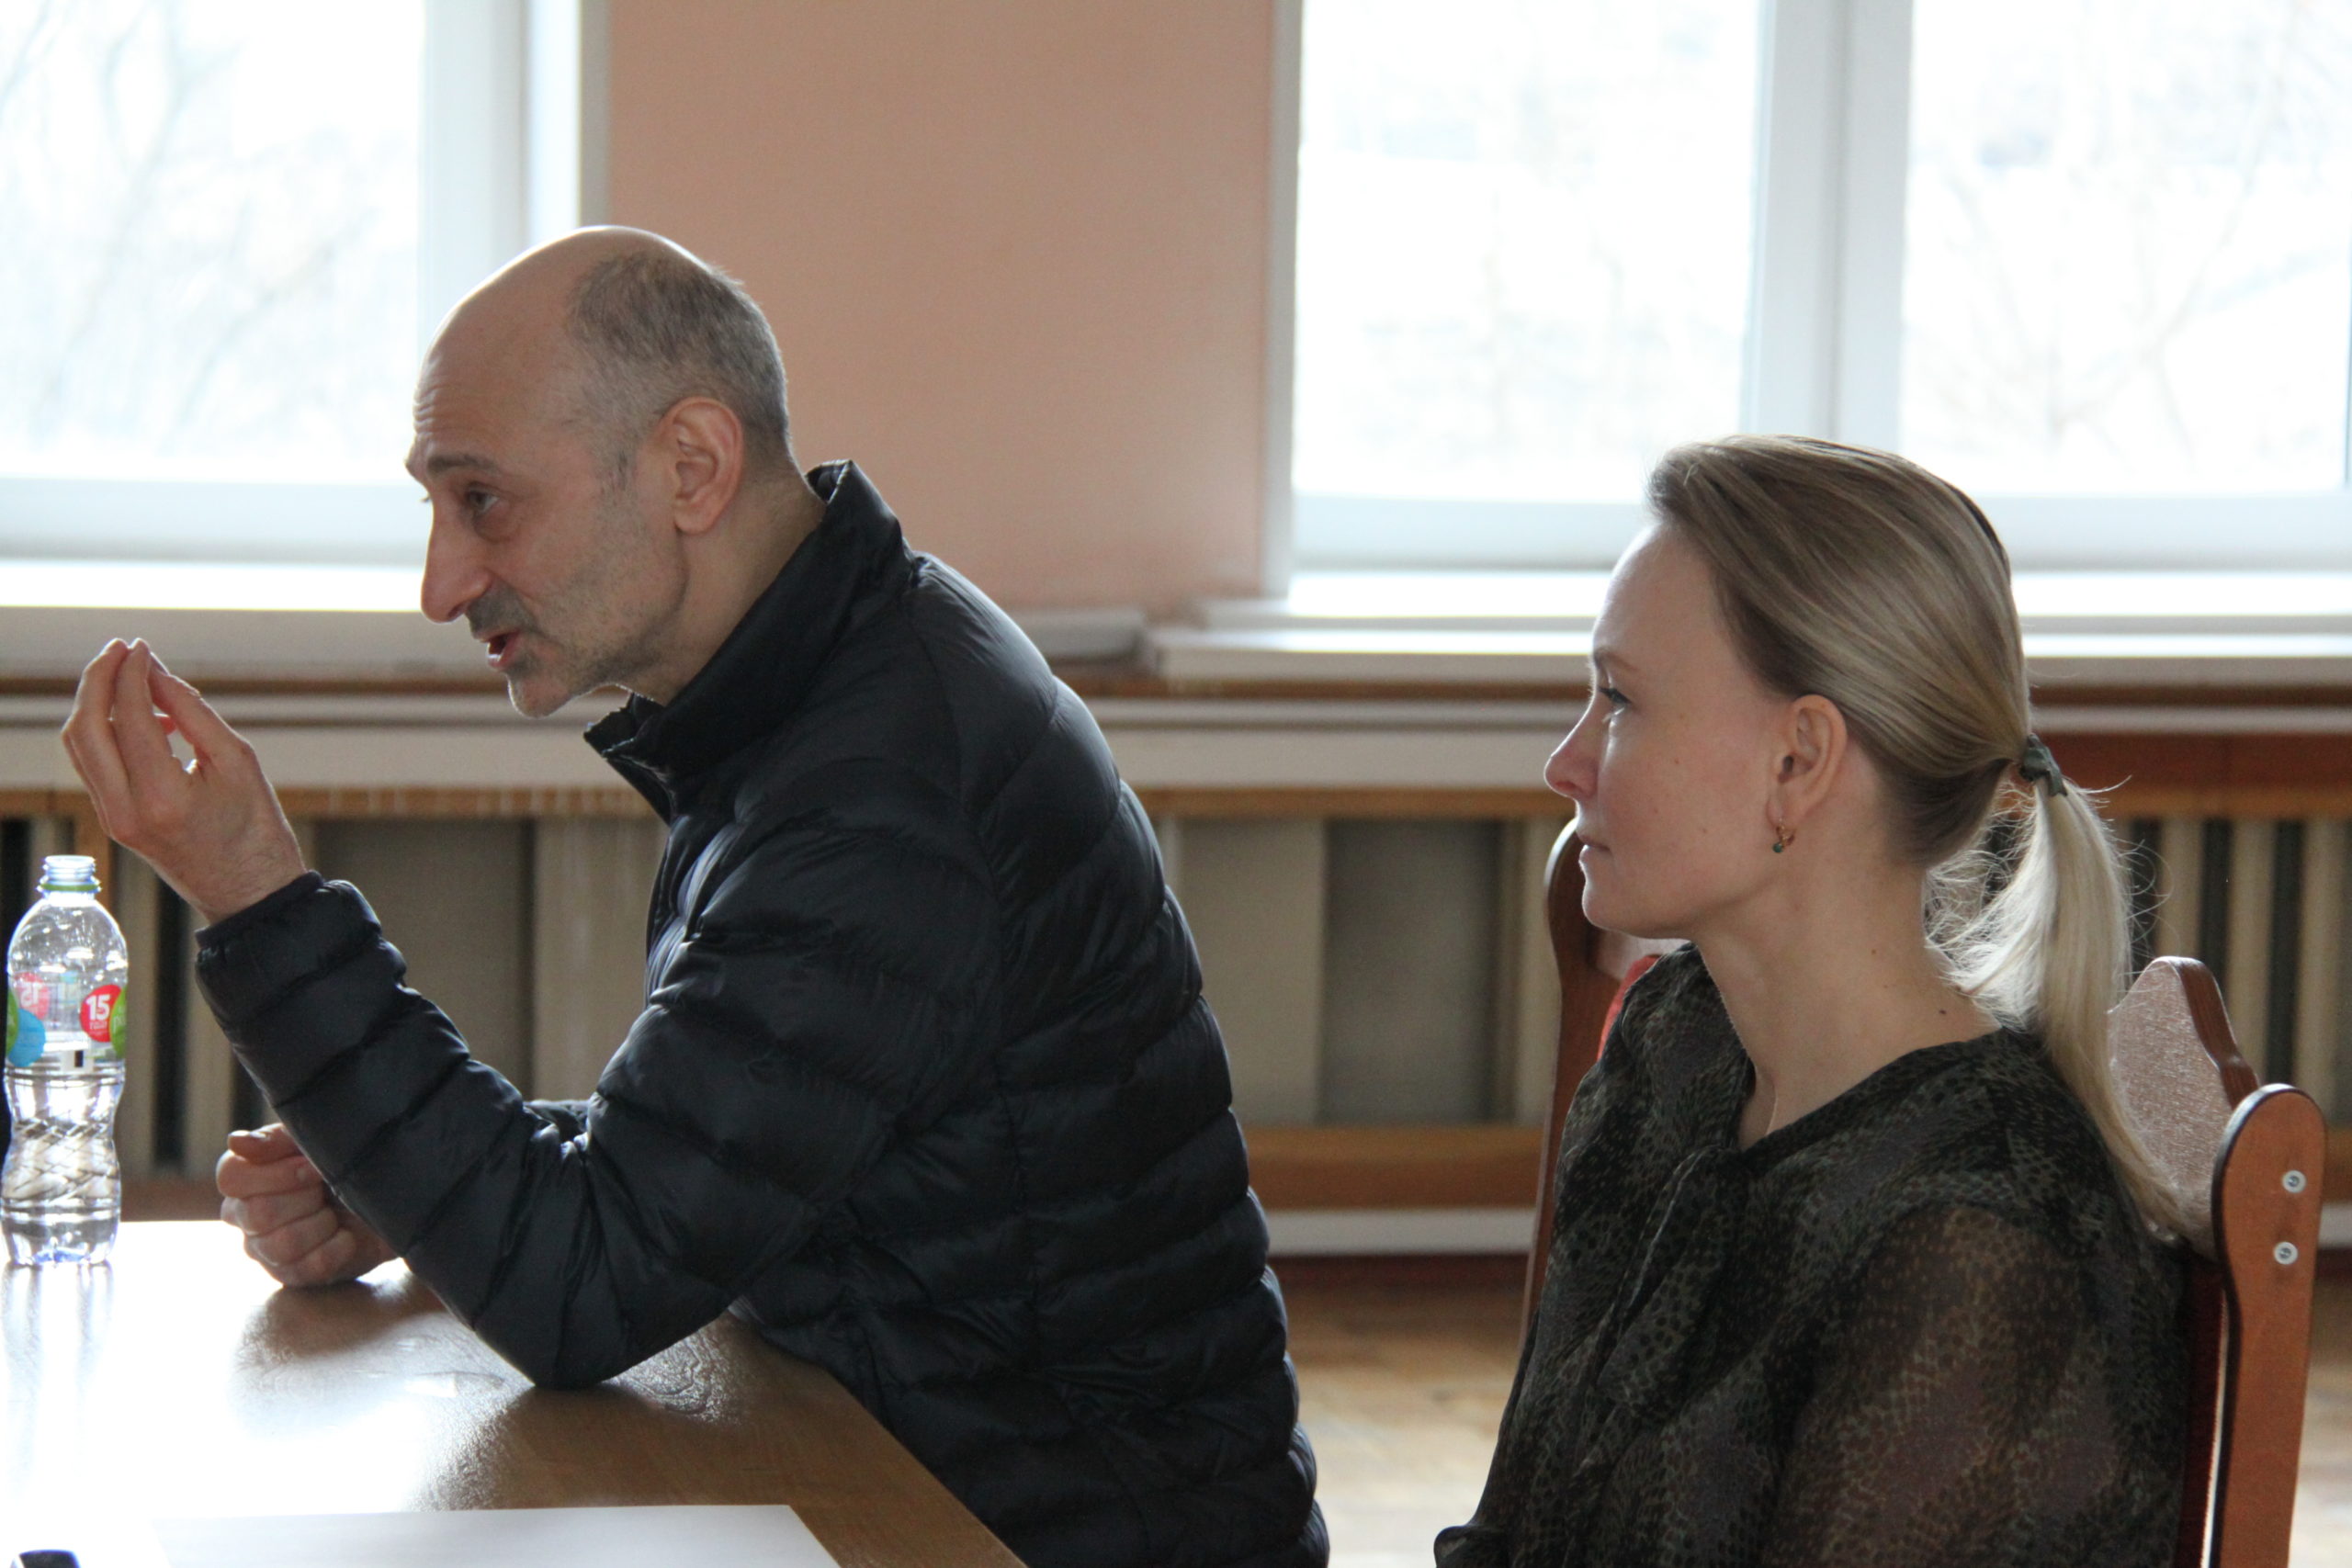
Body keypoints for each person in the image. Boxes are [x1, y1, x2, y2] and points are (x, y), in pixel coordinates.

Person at [61, 228, 1326, 1568]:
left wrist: (256, 892)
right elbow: (763, 1137)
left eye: (483, 501)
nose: (442, 585)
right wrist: (414, 1189)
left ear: (691, 466)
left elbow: (577, 1290)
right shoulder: (842, 673)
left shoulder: (882, 791)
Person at [1439, 435, 2188, 1567]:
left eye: (1619, 700)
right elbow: (1518, 1528)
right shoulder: (1678, 1045)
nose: (1566, 761)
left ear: (1798, 761)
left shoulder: (1971, 1244)